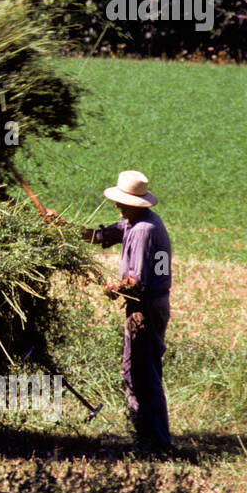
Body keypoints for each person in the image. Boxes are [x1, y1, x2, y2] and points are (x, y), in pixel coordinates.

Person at [72, 171, 173, 455]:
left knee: (141, 374)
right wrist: (63, 228)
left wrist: (113, 287)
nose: (117, 206)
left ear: (134, 203)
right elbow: (102, 236)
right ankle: (149, 439)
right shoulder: (136, 222)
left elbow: (136, 283)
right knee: (140, 371)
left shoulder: (143, 231)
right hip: (149, 305)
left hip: (145, 308)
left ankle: (154, 443)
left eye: (121, 202)